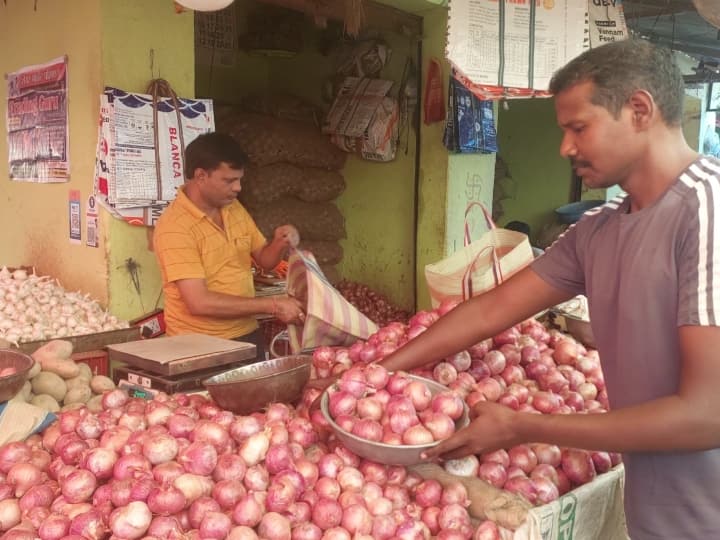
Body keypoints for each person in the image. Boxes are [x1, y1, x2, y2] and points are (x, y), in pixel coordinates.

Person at [378, 40, 720, 539]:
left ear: (640, 110)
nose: (565, 147)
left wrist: (524, 426)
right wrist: (375, 375)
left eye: (578, 127)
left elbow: (706, 415)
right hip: (658, 516)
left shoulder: (707, 209)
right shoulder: (598, 230)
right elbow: (491, 309)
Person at [153, 132, 305, 359]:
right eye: (229, 180)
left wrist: (278, 242)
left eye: (239, 179)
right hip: (199, 345)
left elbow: (264, 260)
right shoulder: (175, 227)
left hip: (246, 334)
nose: (238, 188)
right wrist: (272, 305)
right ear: (201, 176)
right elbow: (199, 303)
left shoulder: (233, 208)